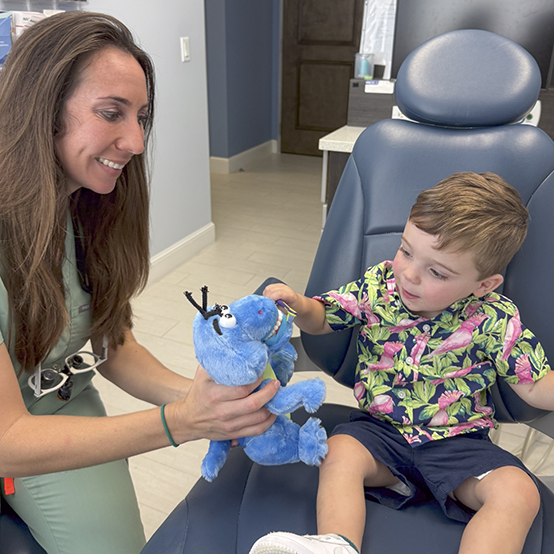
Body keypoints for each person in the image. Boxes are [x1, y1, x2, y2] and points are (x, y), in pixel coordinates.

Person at [0, 11, 279, 554]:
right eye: (111, 113)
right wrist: (182, 421)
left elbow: (113, 344)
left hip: (58, 403)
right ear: (42, 108)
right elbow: (6, 441)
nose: (134, 140)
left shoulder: (85, 206)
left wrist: (213, 399)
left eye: (142, 117)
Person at [250, 172, 554, 554]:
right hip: (379, 435)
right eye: (406, 251)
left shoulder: (495, 317)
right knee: (339, 451)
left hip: (458, 445)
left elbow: (534, 384)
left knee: (519, 491)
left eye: (437, 272)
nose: (409, 274)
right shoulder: (381, 285)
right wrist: (300, 304)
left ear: (483, 285)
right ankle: (336, 545)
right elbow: (326, 317)